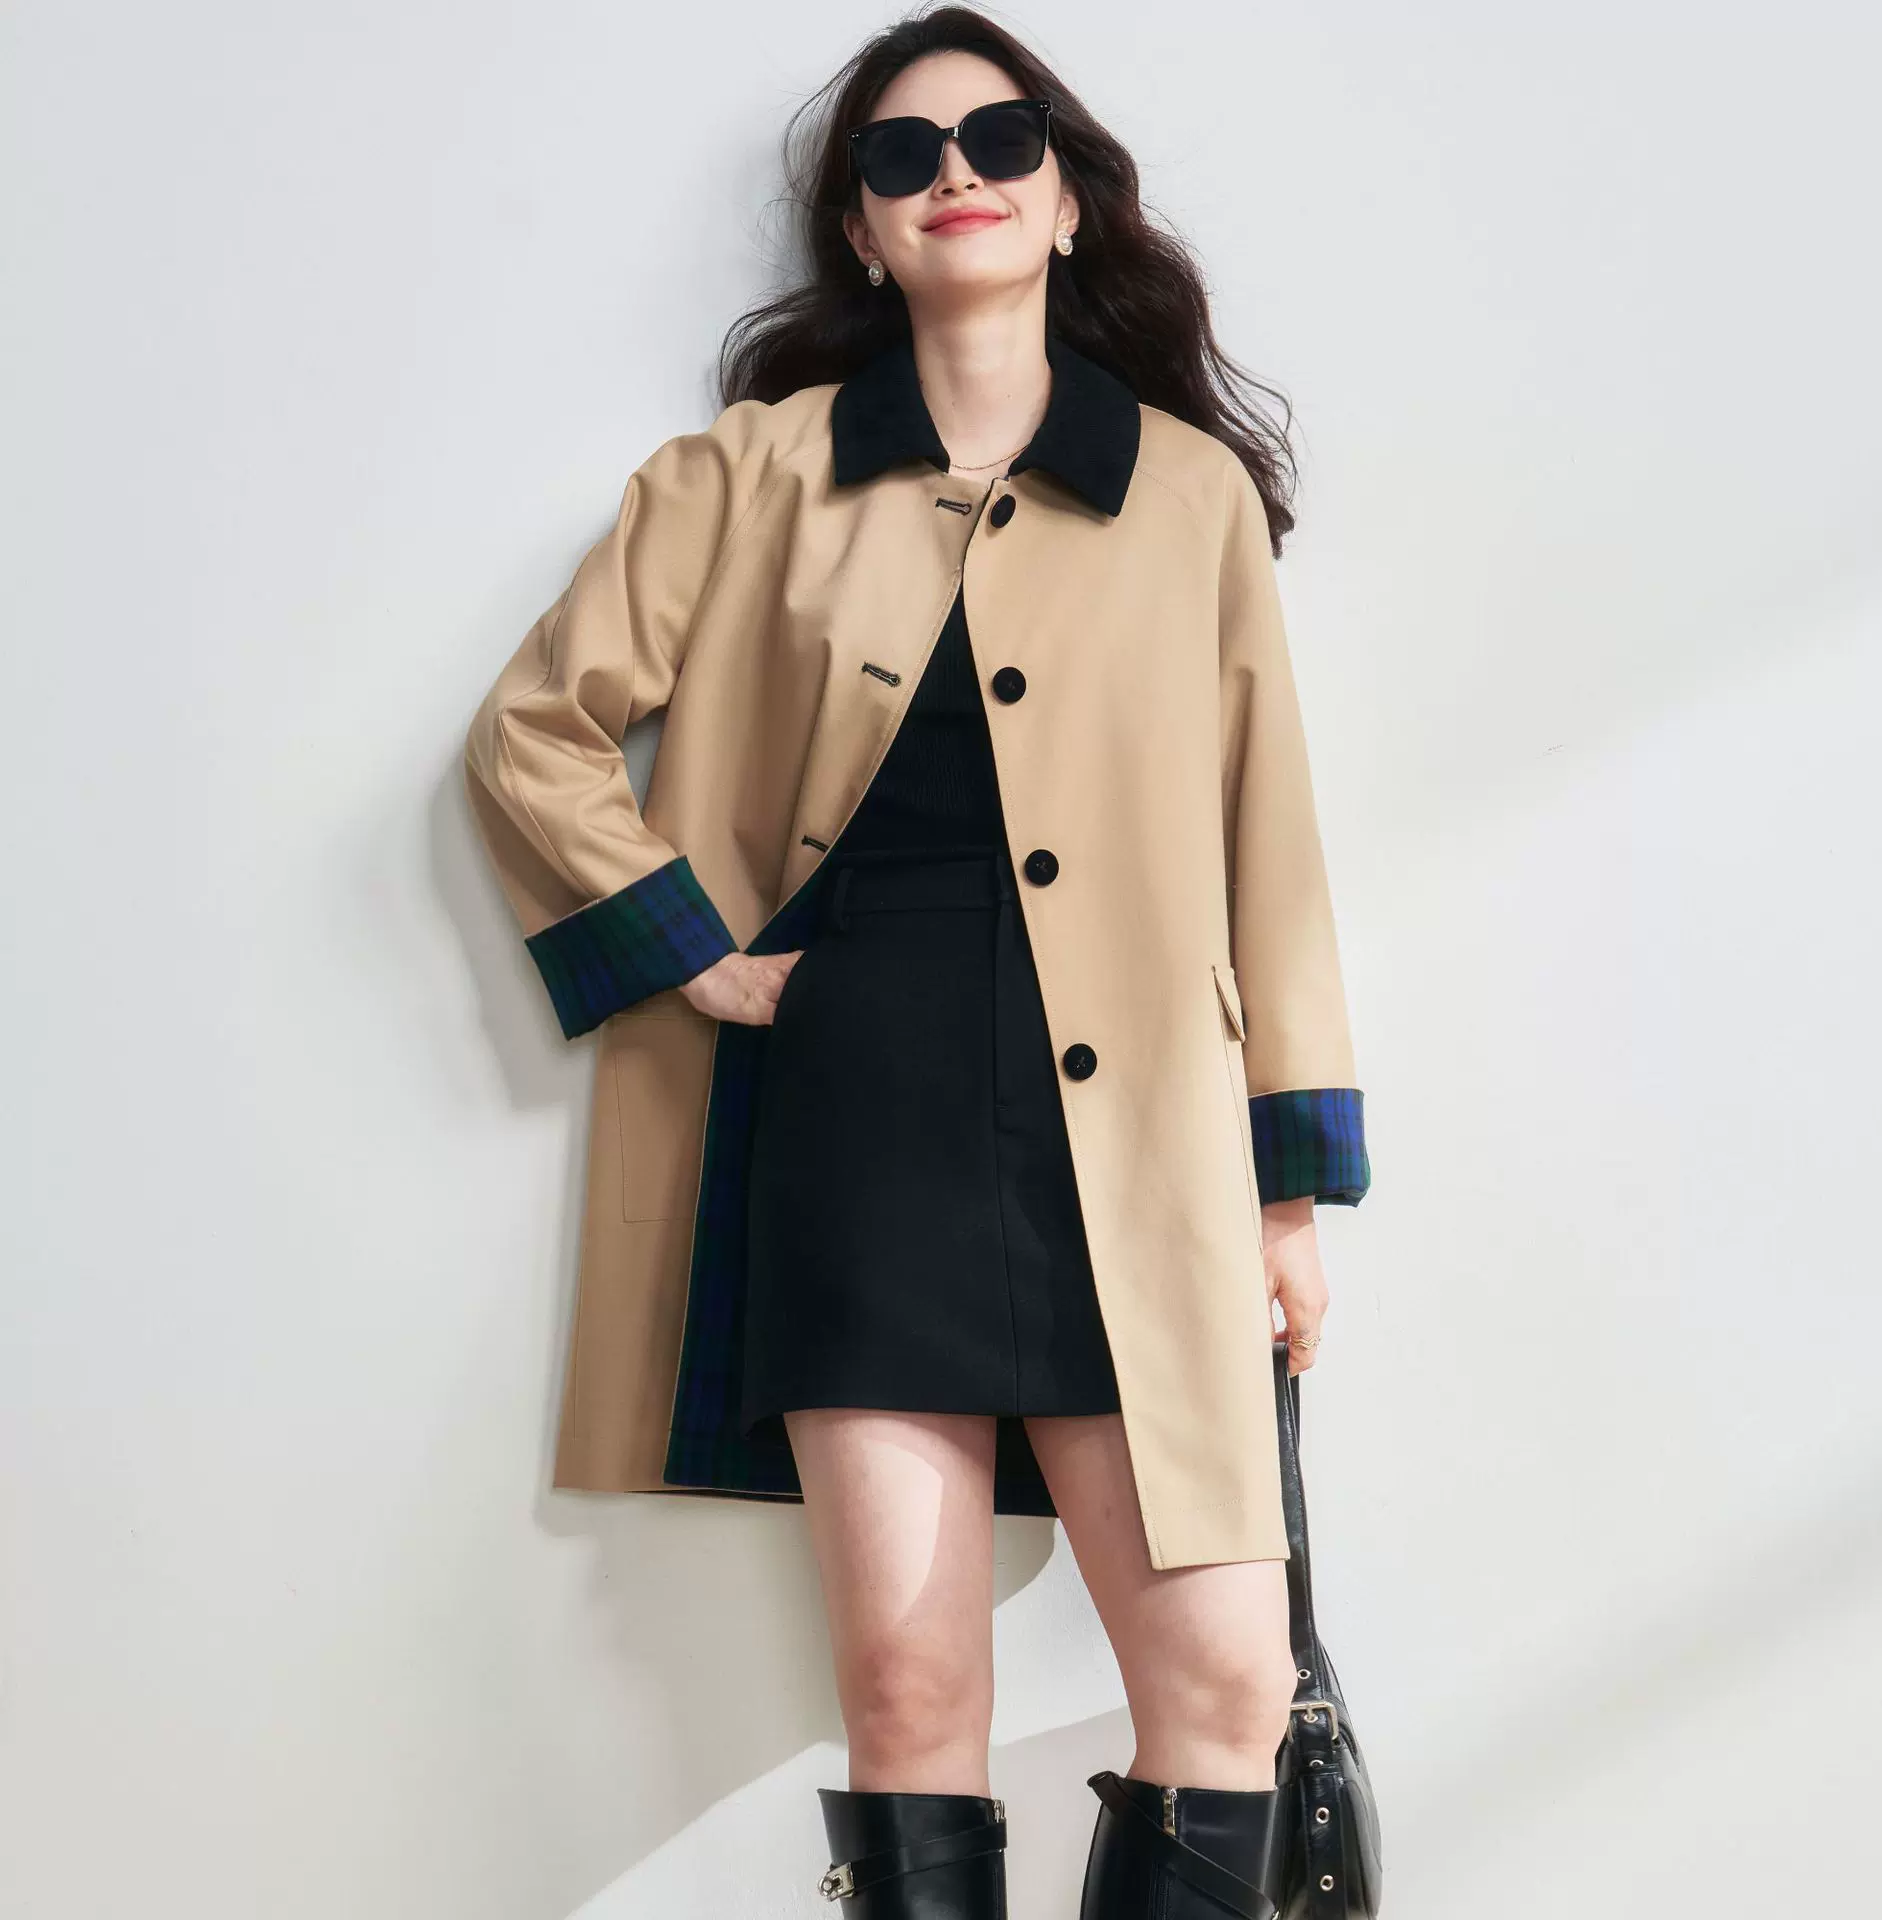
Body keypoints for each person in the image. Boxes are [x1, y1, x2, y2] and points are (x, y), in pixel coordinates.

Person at [463, 9, 1370, 1914]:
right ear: (863, 233)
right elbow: (534, 732)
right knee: (908, 1688)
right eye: (901, 154)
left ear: (1067, 200)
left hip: (1139, 1142)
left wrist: (1288, 1190)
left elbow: (1267, 852)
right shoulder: (745, 475)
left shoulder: (1185, 493)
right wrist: (699, 958)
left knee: (1224, 1685)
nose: (955, 172)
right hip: (858, 1105)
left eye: (999, 140)